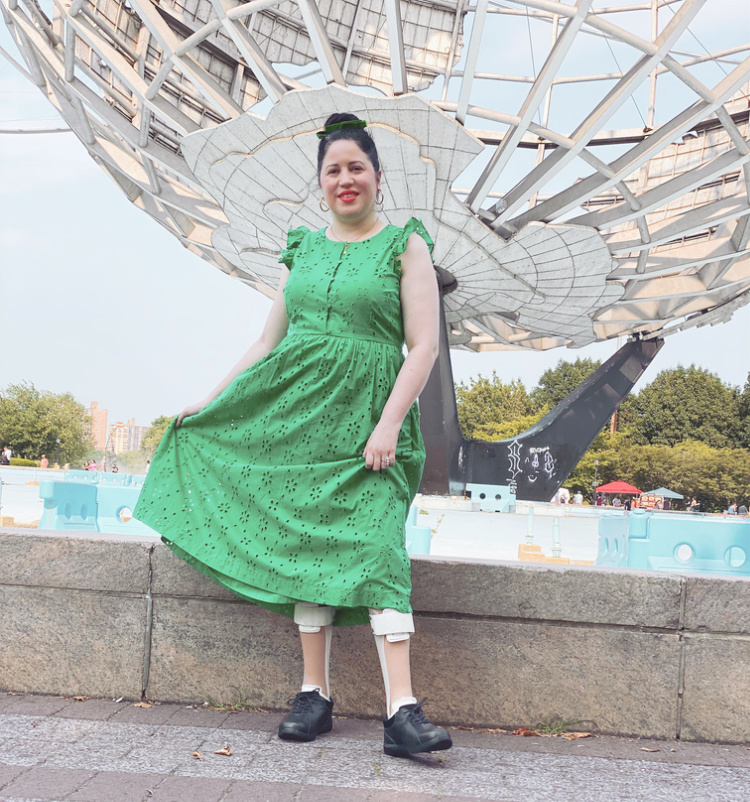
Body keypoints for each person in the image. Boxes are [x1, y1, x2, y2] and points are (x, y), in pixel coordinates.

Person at [133, 112, 451, 758]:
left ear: (378, 178)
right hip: (297, 420)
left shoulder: (406, 246)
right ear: (321, 183)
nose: (345, 179)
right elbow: (266, 341)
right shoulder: (302, 248)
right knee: (309, 548)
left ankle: (403, 710)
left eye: (356, 167)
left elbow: (423, 347)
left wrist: (389, 422)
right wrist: (210, 400)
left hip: (370, 426)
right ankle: (315, 695)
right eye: (333, 170)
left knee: (379, 548)